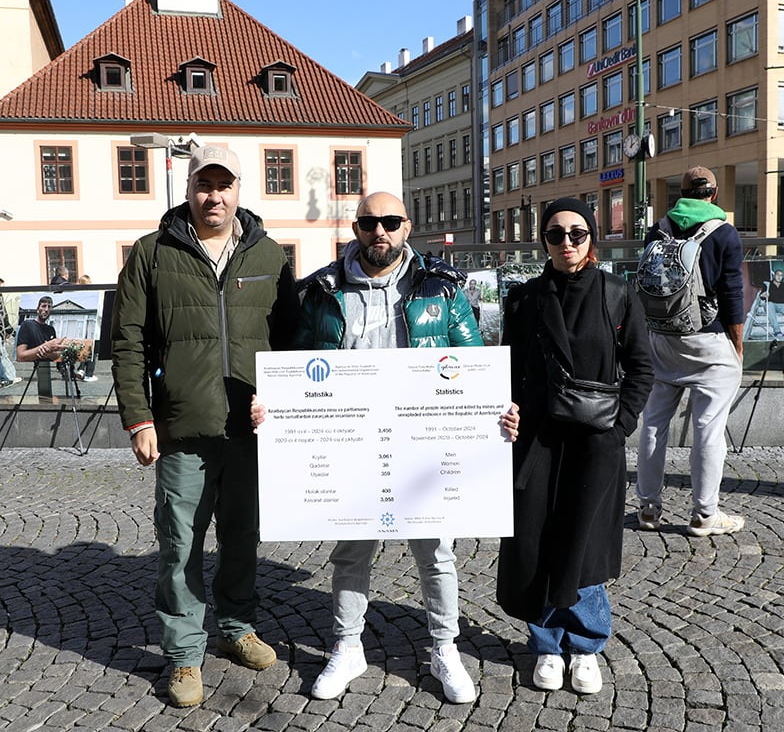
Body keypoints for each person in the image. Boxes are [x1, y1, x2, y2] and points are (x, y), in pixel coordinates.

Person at [288, 191, 515, 705]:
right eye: (369, 223)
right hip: (352, 440)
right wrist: (275, 408)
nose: (379, 232)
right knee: (350, 552)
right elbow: (296, 366)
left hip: (422, 439)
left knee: (436, 554)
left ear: (407, 227)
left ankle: (444, 648)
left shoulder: (439, 286)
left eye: (390, 222)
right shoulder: (322, 291)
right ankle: (347, 648)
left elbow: (472, 359)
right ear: (356, 228)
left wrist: (499, 408)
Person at [111, 145, 299, 708]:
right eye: (203, 185)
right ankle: (184, 654)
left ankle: (238, 626)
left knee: (243, 535)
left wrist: (286, 408)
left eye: (224, 185)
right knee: (179, 543)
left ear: (240, 189)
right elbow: (128, 343)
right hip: (181, 428)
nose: (213, 196)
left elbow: (289, 342)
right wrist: (139, 417)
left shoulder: (270, 254)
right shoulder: (151, 253)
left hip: (249, 428)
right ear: (188, 188)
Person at [497, 197, 653, 695]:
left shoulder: (616, 294)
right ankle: (545, 643)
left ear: (592, 238)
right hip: (538, 439)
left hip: (594, 439)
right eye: (556, 234)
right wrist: (510, 409)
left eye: (577, 233)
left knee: (586, 540)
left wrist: (620, 423)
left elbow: (642, 366)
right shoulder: (523, 300)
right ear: (543, 240)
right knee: (537, 537)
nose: (567, 243)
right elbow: (508, 367)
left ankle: (585, 646)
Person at [635, 166, 746, 537]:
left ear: (680, 194)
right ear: (714, 194)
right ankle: (704, 514)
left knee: (653, 424)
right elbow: (732, 296)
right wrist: (736, 345)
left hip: (662, 338)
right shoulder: (725, 234)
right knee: (708, 429)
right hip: (707, 340)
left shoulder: (659, 229)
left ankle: (648, 508)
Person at [16, 296, 60, 363]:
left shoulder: (51, 329)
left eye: (49, 307)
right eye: (44, 306)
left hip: (47, 369)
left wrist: (48, 353)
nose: (46, 309)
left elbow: (56, 356)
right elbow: (20, 357)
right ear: (37, 309)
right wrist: (42, 348)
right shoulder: (27, 325)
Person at [759, 269, 784, 338]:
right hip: (771, 304)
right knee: (768, 305)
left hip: (782, 304)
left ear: (782, 277)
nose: (779, 277)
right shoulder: (767, 284)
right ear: (774, 275)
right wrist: (763, 295)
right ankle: (777, 330)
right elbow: (762, 296)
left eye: (781, 275)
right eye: (777, 275)